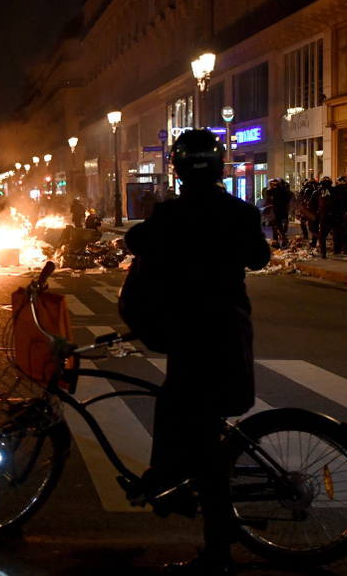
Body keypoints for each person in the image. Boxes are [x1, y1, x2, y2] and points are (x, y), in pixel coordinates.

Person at [124, 129, 270, 574]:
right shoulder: (240, 212)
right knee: (185, 416)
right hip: (227, 333)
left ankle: (217, 550)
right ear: (221, 164)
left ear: (179, 169)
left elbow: (136, 243)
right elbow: (260, 258)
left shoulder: (171, 215)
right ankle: (174, 486)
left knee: (195, 433)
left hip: (190, 336)